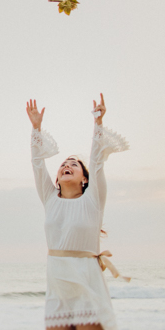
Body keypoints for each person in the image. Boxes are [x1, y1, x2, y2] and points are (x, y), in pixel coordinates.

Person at [27, 94, 130, 330]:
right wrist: (36, 129)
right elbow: (37, 163)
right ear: (57, 178)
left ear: (85, 178)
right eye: (63, 164)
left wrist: (98, 122)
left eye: (74, 164)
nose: (66, 166)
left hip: (86, 277)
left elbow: (97, 161)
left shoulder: (93, 199)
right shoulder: (50, 198)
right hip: (57, 279)